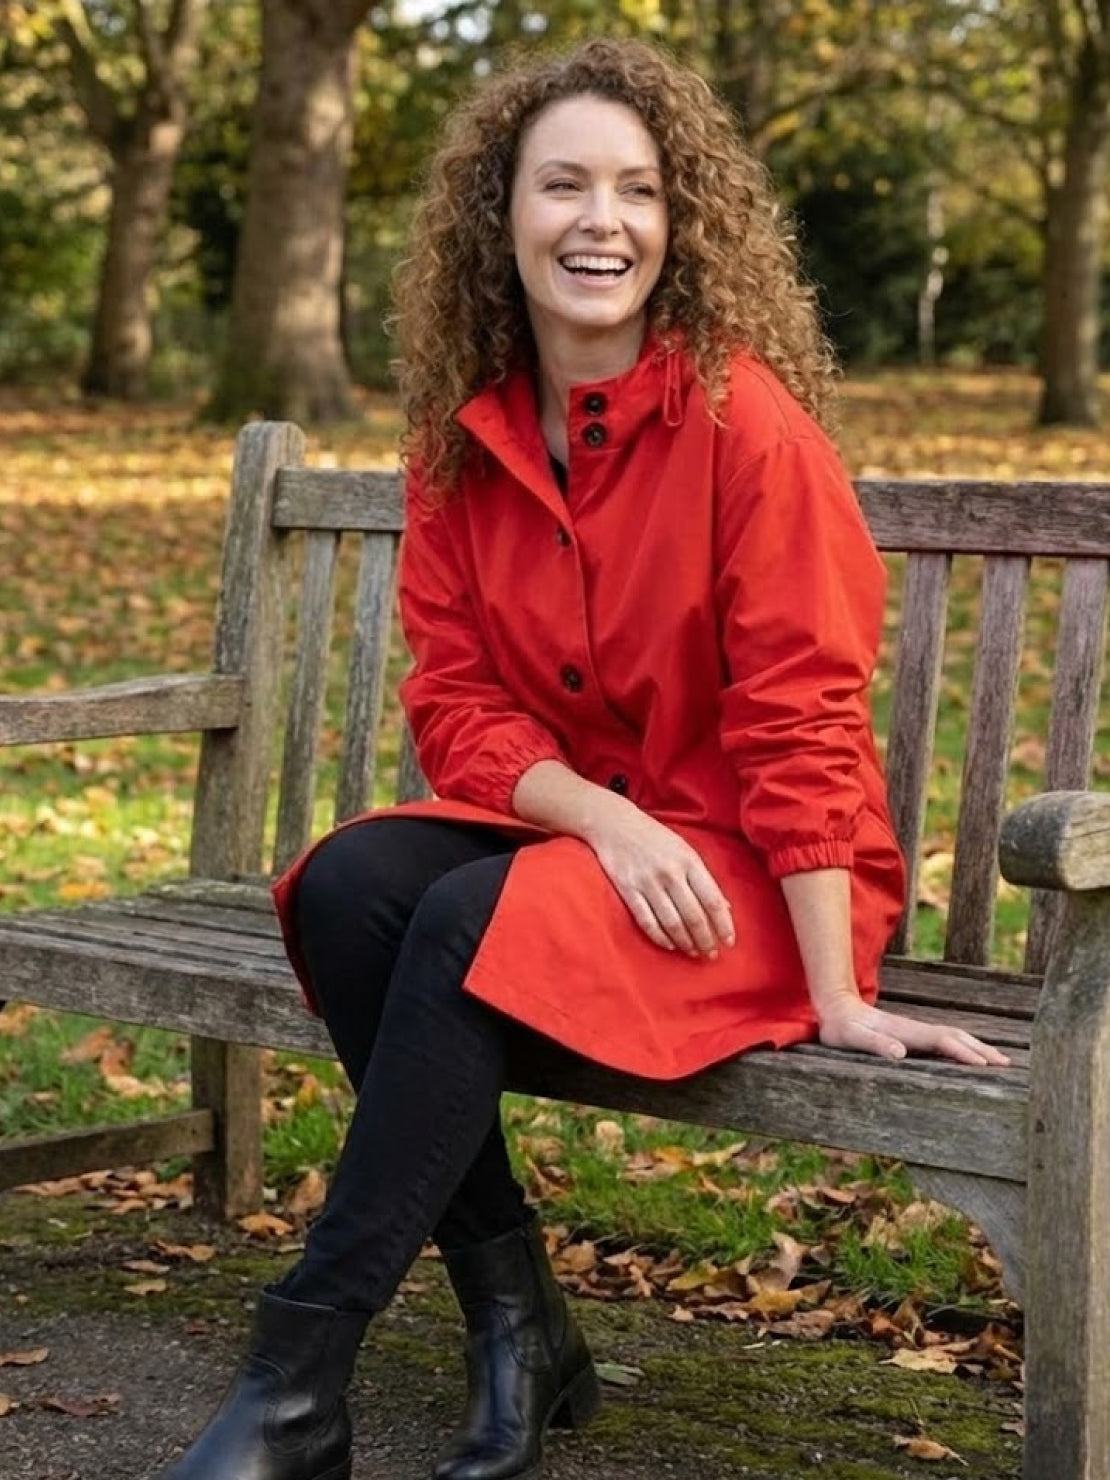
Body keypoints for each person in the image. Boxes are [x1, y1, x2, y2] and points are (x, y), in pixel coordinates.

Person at [156, 34, 1011, 1480]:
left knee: (463, 918)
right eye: (562, 186)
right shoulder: (462, 442)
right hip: (603, 851)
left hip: (757, 875)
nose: (599, 221)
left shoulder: (748, 429)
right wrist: (604, 825)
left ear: (680, 228)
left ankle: (297, 1378)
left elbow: (805, 716)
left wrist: (836, 993)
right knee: (350, 882)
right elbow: (461, 703)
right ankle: (520, 1322)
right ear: (503, 216)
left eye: (636, 190)